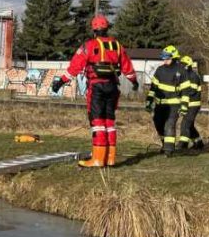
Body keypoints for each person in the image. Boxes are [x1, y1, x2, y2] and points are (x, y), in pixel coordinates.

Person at [51, 14, 139, 167]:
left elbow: (75, 67)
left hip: (97, 87)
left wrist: (60, 82)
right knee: (110, 122)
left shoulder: (89, 45)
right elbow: (127, 67)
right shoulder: (117, 45)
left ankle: (98, 159)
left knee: (97, 122)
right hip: (112, 87)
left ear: (94, 30)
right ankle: (110, 158)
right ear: (107, 28)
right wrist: (134, 81)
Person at [145, 45, 185, 157]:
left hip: (174, 105)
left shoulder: (181, 71)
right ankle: (164, 144)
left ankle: (169, 150)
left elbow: (186, 91)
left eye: (167, 57)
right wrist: (149, 101)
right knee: (159, 124)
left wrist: (185, 105)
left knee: (169, 125)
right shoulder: (160, 70)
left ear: (174, 57)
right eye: (163, 57)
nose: (164, 59)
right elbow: (153, 88)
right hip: (159, 105)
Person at [177, 55, 204, 150]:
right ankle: (199, 143)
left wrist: (179, 91)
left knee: (185, 124)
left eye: (183, 64)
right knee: (190, 125)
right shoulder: (186, 75)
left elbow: (190, 91)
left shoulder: (193, 76)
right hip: (188, 104)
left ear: (188, 65)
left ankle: (183, 144)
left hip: (193, 104)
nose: (181, 66)